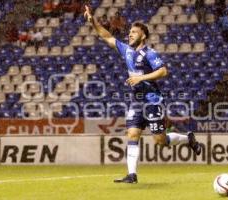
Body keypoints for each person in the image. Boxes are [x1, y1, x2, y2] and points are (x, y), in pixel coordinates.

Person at [84, 5, 201, 184]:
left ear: (143, 35)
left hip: (153, 101)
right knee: (132, 134)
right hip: (136, 101)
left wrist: (141, 78)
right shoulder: (127, 50)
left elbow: (163, 71)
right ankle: (132, 175)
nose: (130, 34)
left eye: (134, 32)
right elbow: (106, 36)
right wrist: (93, 21)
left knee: (160, 141)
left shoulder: (149, 53)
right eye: (130, 31)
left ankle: (188, 139)